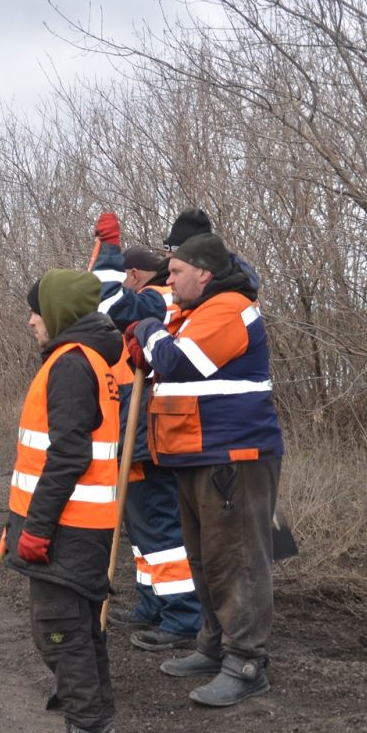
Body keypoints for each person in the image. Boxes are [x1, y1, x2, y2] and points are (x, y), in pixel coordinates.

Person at [125, 231, 283, 706]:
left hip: (232, 456)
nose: (167, 280)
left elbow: (178, 363)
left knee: (235, 560)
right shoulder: (194, 313)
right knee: (205, 558)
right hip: (199, 454)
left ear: (204, 273)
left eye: (174, 272)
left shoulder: (228, 309)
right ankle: (213, 646)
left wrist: (149, 331)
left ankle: (246, 662)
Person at [9, 269, 123, 733]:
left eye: (37, 310)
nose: (31, 319)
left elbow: (69, 455)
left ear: (56, 313)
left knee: (60, 632)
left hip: (68, 527)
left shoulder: (73, 365)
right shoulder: (92, 359)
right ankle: (99, 732)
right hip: (80, 523)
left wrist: (37, 527)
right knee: (81, 629)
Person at [90, 216, 203, 652]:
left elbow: (108, 306)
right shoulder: (163, 297)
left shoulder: (160, 299)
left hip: (152, 433)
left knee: (160, 530)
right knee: (144, 531)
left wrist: (109, 252)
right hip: (135, 434)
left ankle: (182, 618)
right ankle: (152, 603)